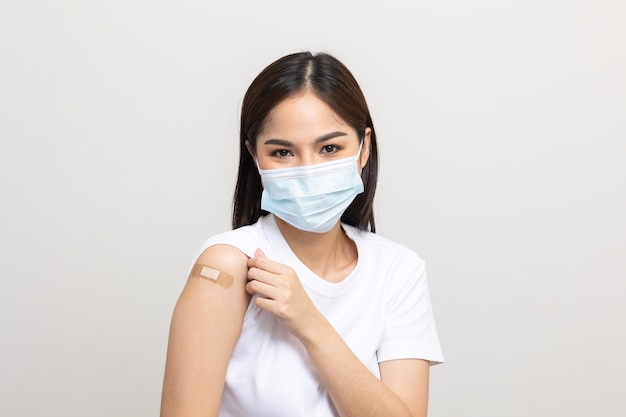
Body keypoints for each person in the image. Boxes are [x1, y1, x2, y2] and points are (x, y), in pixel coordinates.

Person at [160, 51, 444, 417]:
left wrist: (310, 324)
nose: (309, 170)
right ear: (254, 156)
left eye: (329, 148)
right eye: (282, 152)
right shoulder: (228, 266)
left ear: (364, 148)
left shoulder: (399, 271)